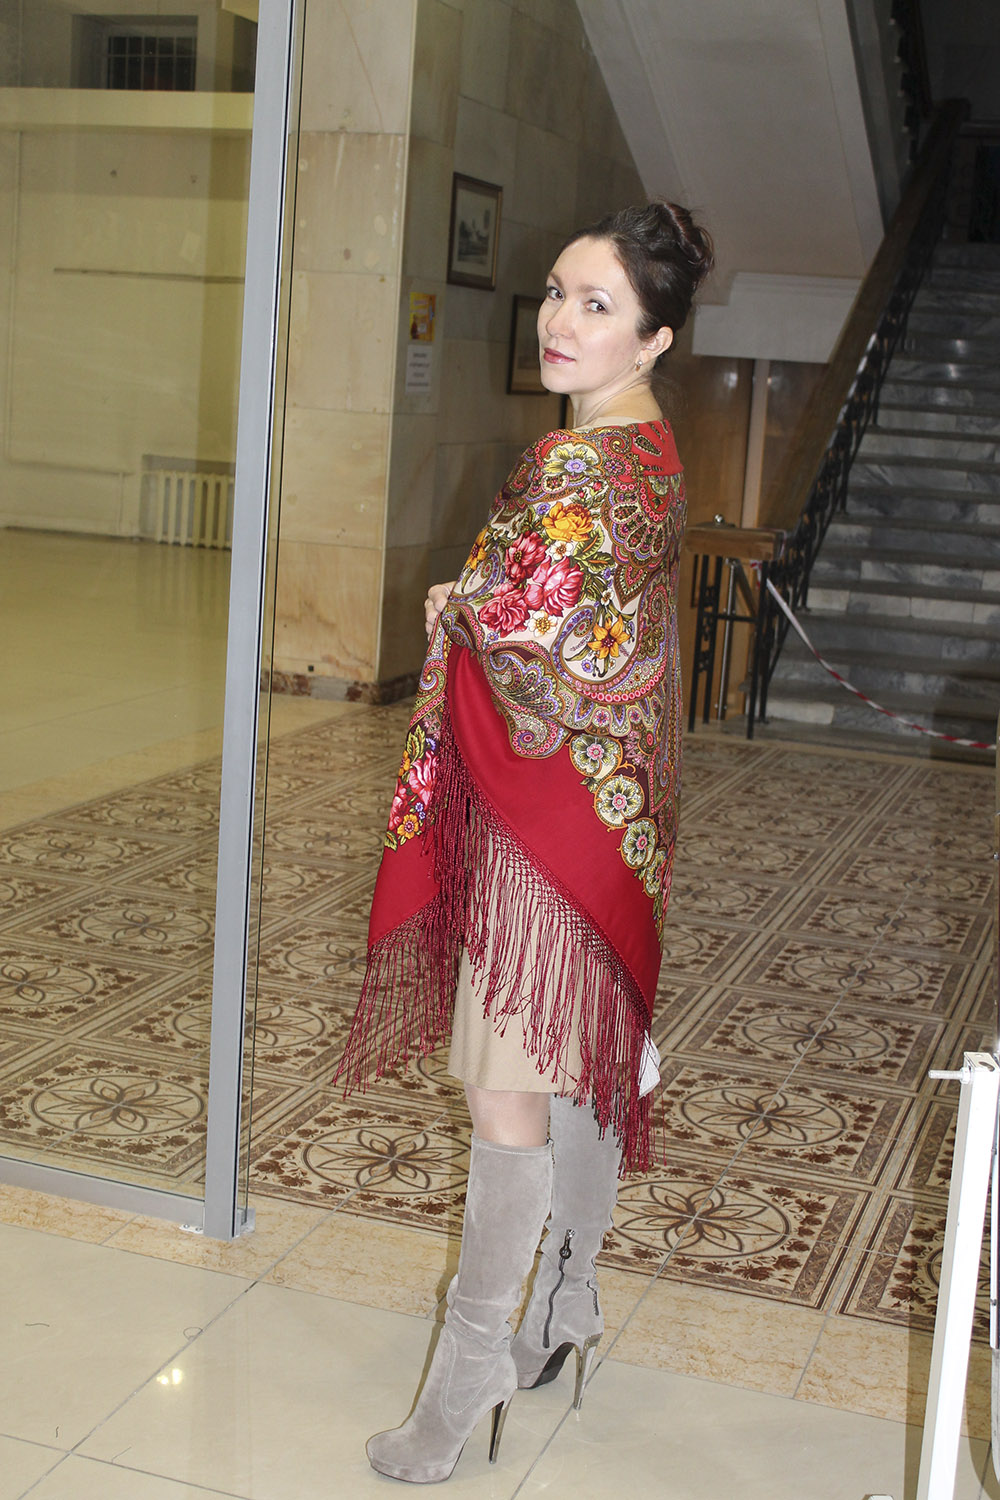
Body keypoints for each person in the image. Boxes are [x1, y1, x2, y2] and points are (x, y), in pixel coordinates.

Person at [336, 201, 714, 1484]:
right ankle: (567, 1305)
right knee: (574, 1072)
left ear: (652, 338)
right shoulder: (650, 450)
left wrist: (456, 608)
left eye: (597, 305)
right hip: (607, 824)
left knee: (504, 1094)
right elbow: (593, 632)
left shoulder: (575, 466)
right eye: (557, 291)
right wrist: (486, 607)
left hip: (539, 826)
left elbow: (533, 650)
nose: (560, 319)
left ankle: (467, 1379)